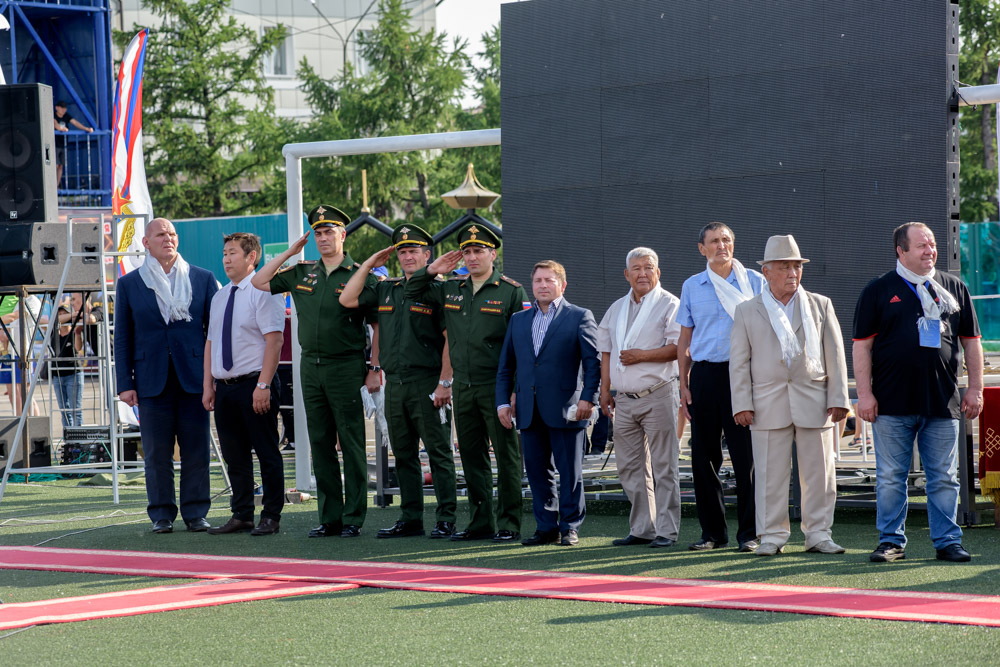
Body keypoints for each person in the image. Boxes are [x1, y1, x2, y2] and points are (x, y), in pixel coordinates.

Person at [853, 222, 983, 563]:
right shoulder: (879, 289)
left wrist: (975, 388)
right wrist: (864, 395)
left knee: (944, 477)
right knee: (890, 478)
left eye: (932, 244)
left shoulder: (954, 287)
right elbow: (862, 346)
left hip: (942, 400)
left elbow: (972, 342)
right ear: (901, 251)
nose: (930, 251)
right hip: (891, 403)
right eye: (922, 245)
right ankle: (890, 542)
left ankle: (948, 542)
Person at [251, 204, 379, 538]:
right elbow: (259, 281)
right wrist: (289, 253)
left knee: (350, 442)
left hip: (346, 365)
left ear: (343, 234)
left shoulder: (360, 274)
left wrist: (374, 367)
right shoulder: (301, 271)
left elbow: (377, 325)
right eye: (318, 233)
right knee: (320, 443)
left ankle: (353, 517)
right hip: (311, 366)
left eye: (329, 232)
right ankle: (330, 517)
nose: (323, 238)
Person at [405, 224, 529, 543]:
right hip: (462, 386)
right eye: (467, 252)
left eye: (479, 251)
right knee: (472, 457)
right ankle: (480, 522)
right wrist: (432, 269)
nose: (472, 257)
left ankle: (509, 523)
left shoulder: (511, 291)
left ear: (493, 254)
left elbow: (523, 347)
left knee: (506, 457)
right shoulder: (451, 289)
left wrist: (514, 390)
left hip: (496, 386)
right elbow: (411, 291)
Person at [729, 235, 849, 557]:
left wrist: (839, 398)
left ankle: (819, 534)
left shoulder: (820, 304)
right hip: (766, 403)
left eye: (796, 266)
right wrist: (741, 403)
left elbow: (835, 354)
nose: (793, 273)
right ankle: (771, 536)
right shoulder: (746, 310)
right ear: (766, 272)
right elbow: (738, 362)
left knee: (820, 475)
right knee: (769, 475)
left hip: (815, 400)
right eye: (784, 267)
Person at [340, 223, 458, 539]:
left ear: (427, 255)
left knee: (439, 454)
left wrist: (445, 382)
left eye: (413, 251)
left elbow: (451, 339)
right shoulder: (387, 288)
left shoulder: (439, 290)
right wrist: (369, 263)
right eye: (402, 251)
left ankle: (446, 517)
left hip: (427, 382)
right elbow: (347, 299)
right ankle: (411, 518)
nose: (407, 257)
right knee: (403, 455)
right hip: (395, 383)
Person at [114, 218, 218, 534]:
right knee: (157, 454)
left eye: (172, 234)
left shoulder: (202, 278)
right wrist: (125, 384)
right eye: (160, 234)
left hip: (194, 379)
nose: (168, 238)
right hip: (150, 381)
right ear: (146, 243)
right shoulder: (129, 283)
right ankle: (161, 514)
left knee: (196, 450)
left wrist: (212, 379)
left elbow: (213, 333)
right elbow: (122, 337)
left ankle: (196, 513)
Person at [496, 260, 600, 546]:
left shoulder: (579, 316)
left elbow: (593, 362)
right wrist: (502, 402)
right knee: (537, 472)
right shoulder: (518, 320)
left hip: (567, 408)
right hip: (528, 409)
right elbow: (506, 366)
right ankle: (545, 527)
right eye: (538, 280)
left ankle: (570, 527)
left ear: (562, 285)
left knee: (570, 473)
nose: (542, 285)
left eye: (549, 280)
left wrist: (588, 398)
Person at [677, 222, 763, 553]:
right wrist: (684, 383)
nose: (721, 245)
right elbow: (684, 338)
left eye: (726, 239)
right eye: (714, 241)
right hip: (704, 376)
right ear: (702, 248)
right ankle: (712, 533)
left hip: (743, 375)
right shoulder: (692, 285)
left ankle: (750, 533)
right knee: (703, 457)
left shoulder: (754, 281)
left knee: (746, 459)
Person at [597, 247, 682, 548]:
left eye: (648, 268)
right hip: (624, 399)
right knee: (630, 466)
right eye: (636, 268)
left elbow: (678, 348)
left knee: (664, 465)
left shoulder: (670, 303)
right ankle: (643, 528)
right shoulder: (617, 308)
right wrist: (604, 390)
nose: (642, 273)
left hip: (658, 393)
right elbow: (606, 352)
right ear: (626, 274)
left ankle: (667, 530)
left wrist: (641, 356)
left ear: (658, 272)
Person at [203, 233, 285, 536]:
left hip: (255, 383)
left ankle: (271, 516)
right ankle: (242, 514)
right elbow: (211, 342)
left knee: (266, 452)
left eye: (233, 253)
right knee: (234, 455)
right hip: (225, 387)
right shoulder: (220, 296)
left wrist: (263, 386)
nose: (226, 259)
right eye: (224, 253)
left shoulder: (264, 291)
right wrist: (208, 385)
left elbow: (274, 341)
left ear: (252, 257)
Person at [52, 293, 94, 428]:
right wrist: (72, 315)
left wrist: (77, 332)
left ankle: (78, 437)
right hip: (57, 375)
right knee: (64, 411)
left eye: (64, 313)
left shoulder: (74, 332)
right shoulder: (53, 333)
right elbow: (53, 320)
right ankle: (68, 436)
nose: (62, 316)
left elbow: (78, 347)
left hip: (73, 374)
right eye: (60, 314)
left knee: (76, 410)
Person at [1, 293, 42, 417]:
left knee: (26, 393)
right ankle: (19, 423)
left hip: (23, 351)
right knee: (15, 394)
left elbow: (14, 316)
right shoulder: (18, 301)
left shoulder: (33, 300)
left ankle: (35, 423)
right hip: (11, 351)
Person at [53, 100, 94, 186]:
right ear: (57, 108)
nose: (63, 110)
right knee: (55, 165)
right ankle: (52, 185)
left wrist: (86, 129)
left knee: (61, 166)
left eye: (65, 108)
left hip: (63, 144)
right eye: (61, 107)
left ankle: (56, 185)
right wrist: (61, 129)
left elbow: (75, 123)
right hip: (54, 144)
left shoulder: (66, 116)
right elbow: (55, 124)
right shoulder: (53, 115)